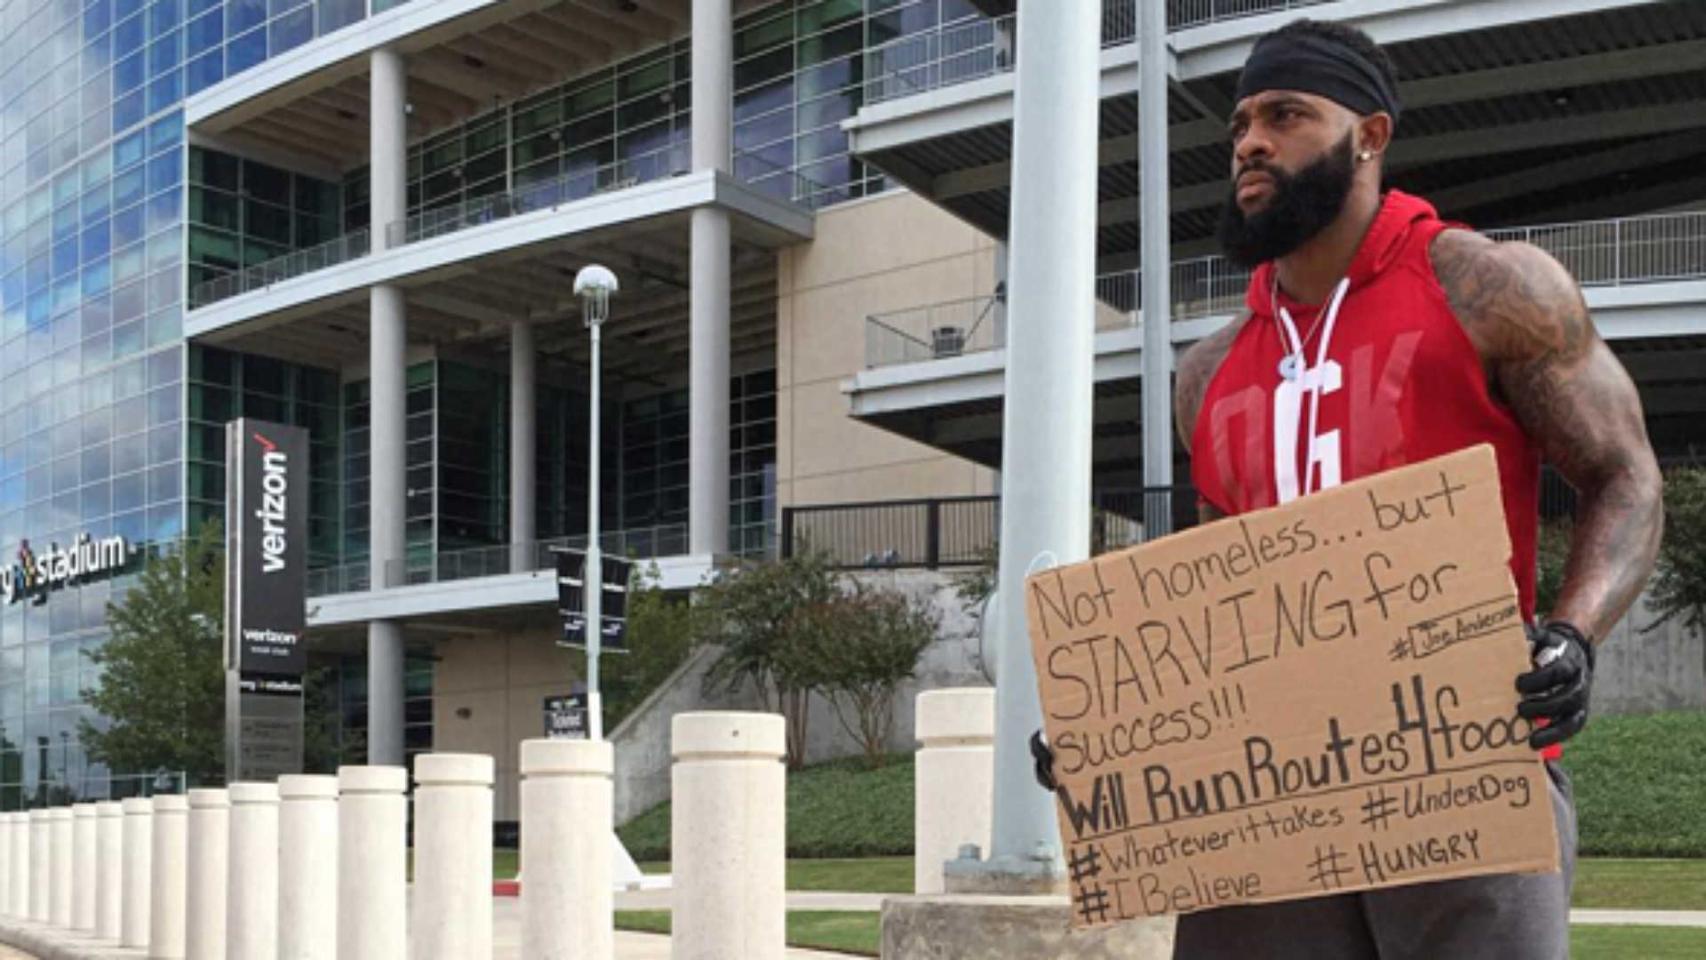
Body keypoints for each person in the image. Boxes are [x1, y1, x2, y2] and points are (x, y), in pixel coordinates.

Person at [1030, 17, 1664, 959]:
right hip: (1266, 796)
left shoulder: (1486, 286)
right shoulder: (1207, 370)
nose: (1250, 139)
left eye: (1286, 113)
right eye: (1242, 120)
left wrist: (1572, 635)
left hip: (1462, 767)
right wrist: (1119, 733)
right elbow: (1219, 595)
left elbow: (1626, 476)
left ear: (1369, 136)